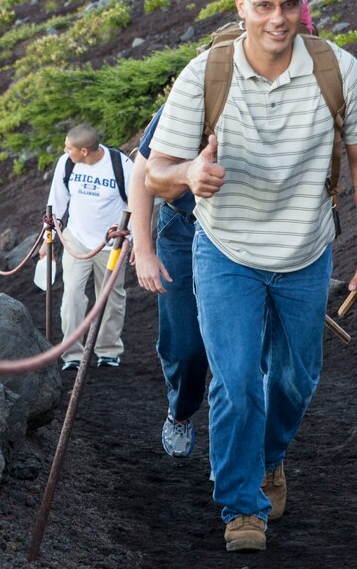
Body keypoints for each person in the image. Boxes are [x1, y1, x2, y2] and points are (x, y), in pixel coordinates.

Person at [145, 0, 357, 553]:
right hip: (225, 250)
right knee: (235, 382)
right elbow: (155, 173)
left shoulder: (338, 71)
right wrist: (188, 179)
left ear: (301, 5)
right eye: (263, 6)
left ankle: (270, 457)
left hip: (307, 252)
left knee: (295, 379)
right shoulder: (208, 73)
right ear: (241, 5)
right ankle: (241, 506)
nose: (276, 19)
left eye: (287, 4)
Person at [130, 106, 208, 458]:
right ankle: (180, 411)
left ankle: (246, 452)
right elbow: (142, 171)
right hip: (183, 227)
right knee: (187, 345)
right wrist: (143, 248)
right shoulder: (191, 93)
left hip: (246, 234)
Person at [41, 124, 132, 370]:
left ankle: (108, 349)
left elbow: (137, 204)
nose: (64, 151)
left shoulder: (121, 166)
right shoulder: (67, 163)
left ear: (84, 151)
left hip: (112, 244)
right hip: (76, 239)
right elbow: (57, 202)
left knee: (112, 296)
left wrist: (134, 241)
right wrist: (46, 240)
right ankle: (72, 353)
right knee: (72, 295)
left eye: (68, 148)